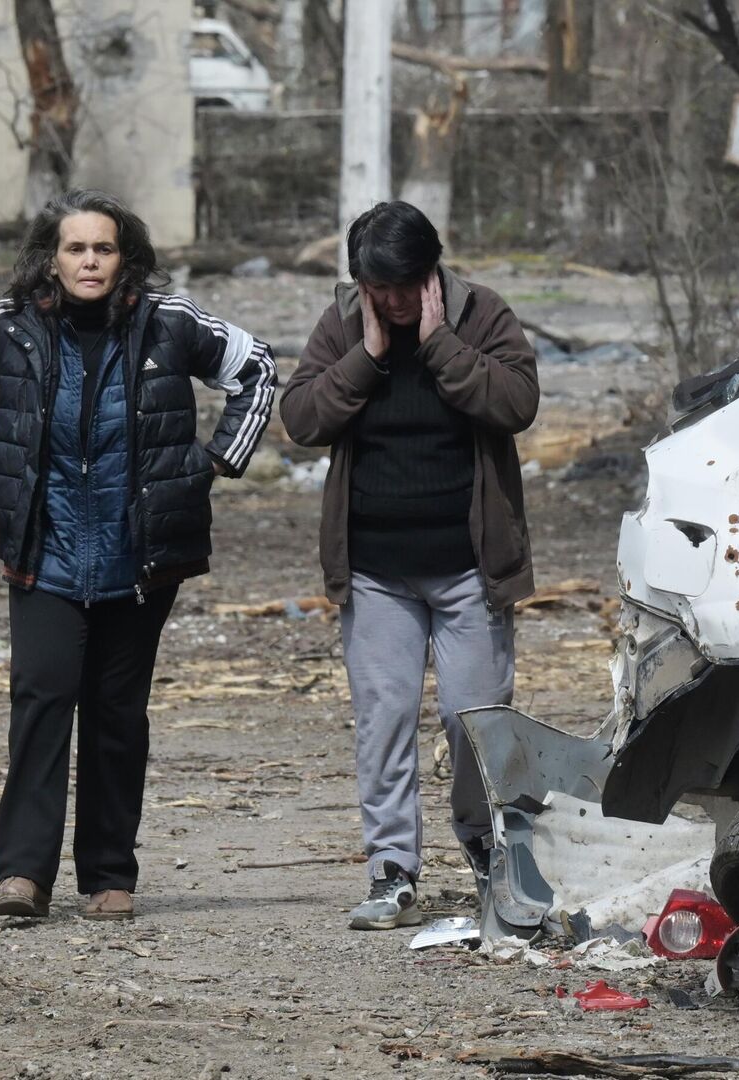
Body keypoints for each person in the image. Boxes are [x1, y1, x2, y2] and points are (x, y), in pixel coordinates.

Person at [0, 189, 276, 919]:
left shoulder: (170, 322)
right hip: (44, 548)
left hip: (140, 555)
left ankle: (109, 877)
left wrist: (216, 461)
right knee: (42, 700)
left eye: (105, 248)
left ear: (126, 257)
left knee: (118, 714)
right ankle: (23, 876)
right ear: (51, 259)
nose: (91, 261)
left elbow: (256, 368)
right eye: (76, 248)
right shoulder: (15, 328)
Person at [280, 201, 537, 930]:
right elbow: (301, 418)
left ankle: (491, 858)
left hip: (468, 569)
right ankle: (391, 870)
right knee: (384, 720)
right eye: (377, 286)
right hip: (375, 568)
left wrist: (438, 344)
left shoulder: (481, 315)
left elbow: (517, 402)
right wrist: (364, 354)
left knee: (474, 721)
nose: (391, 301)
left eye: (405, 285)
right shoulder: (341, 324)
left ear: (431, 273)